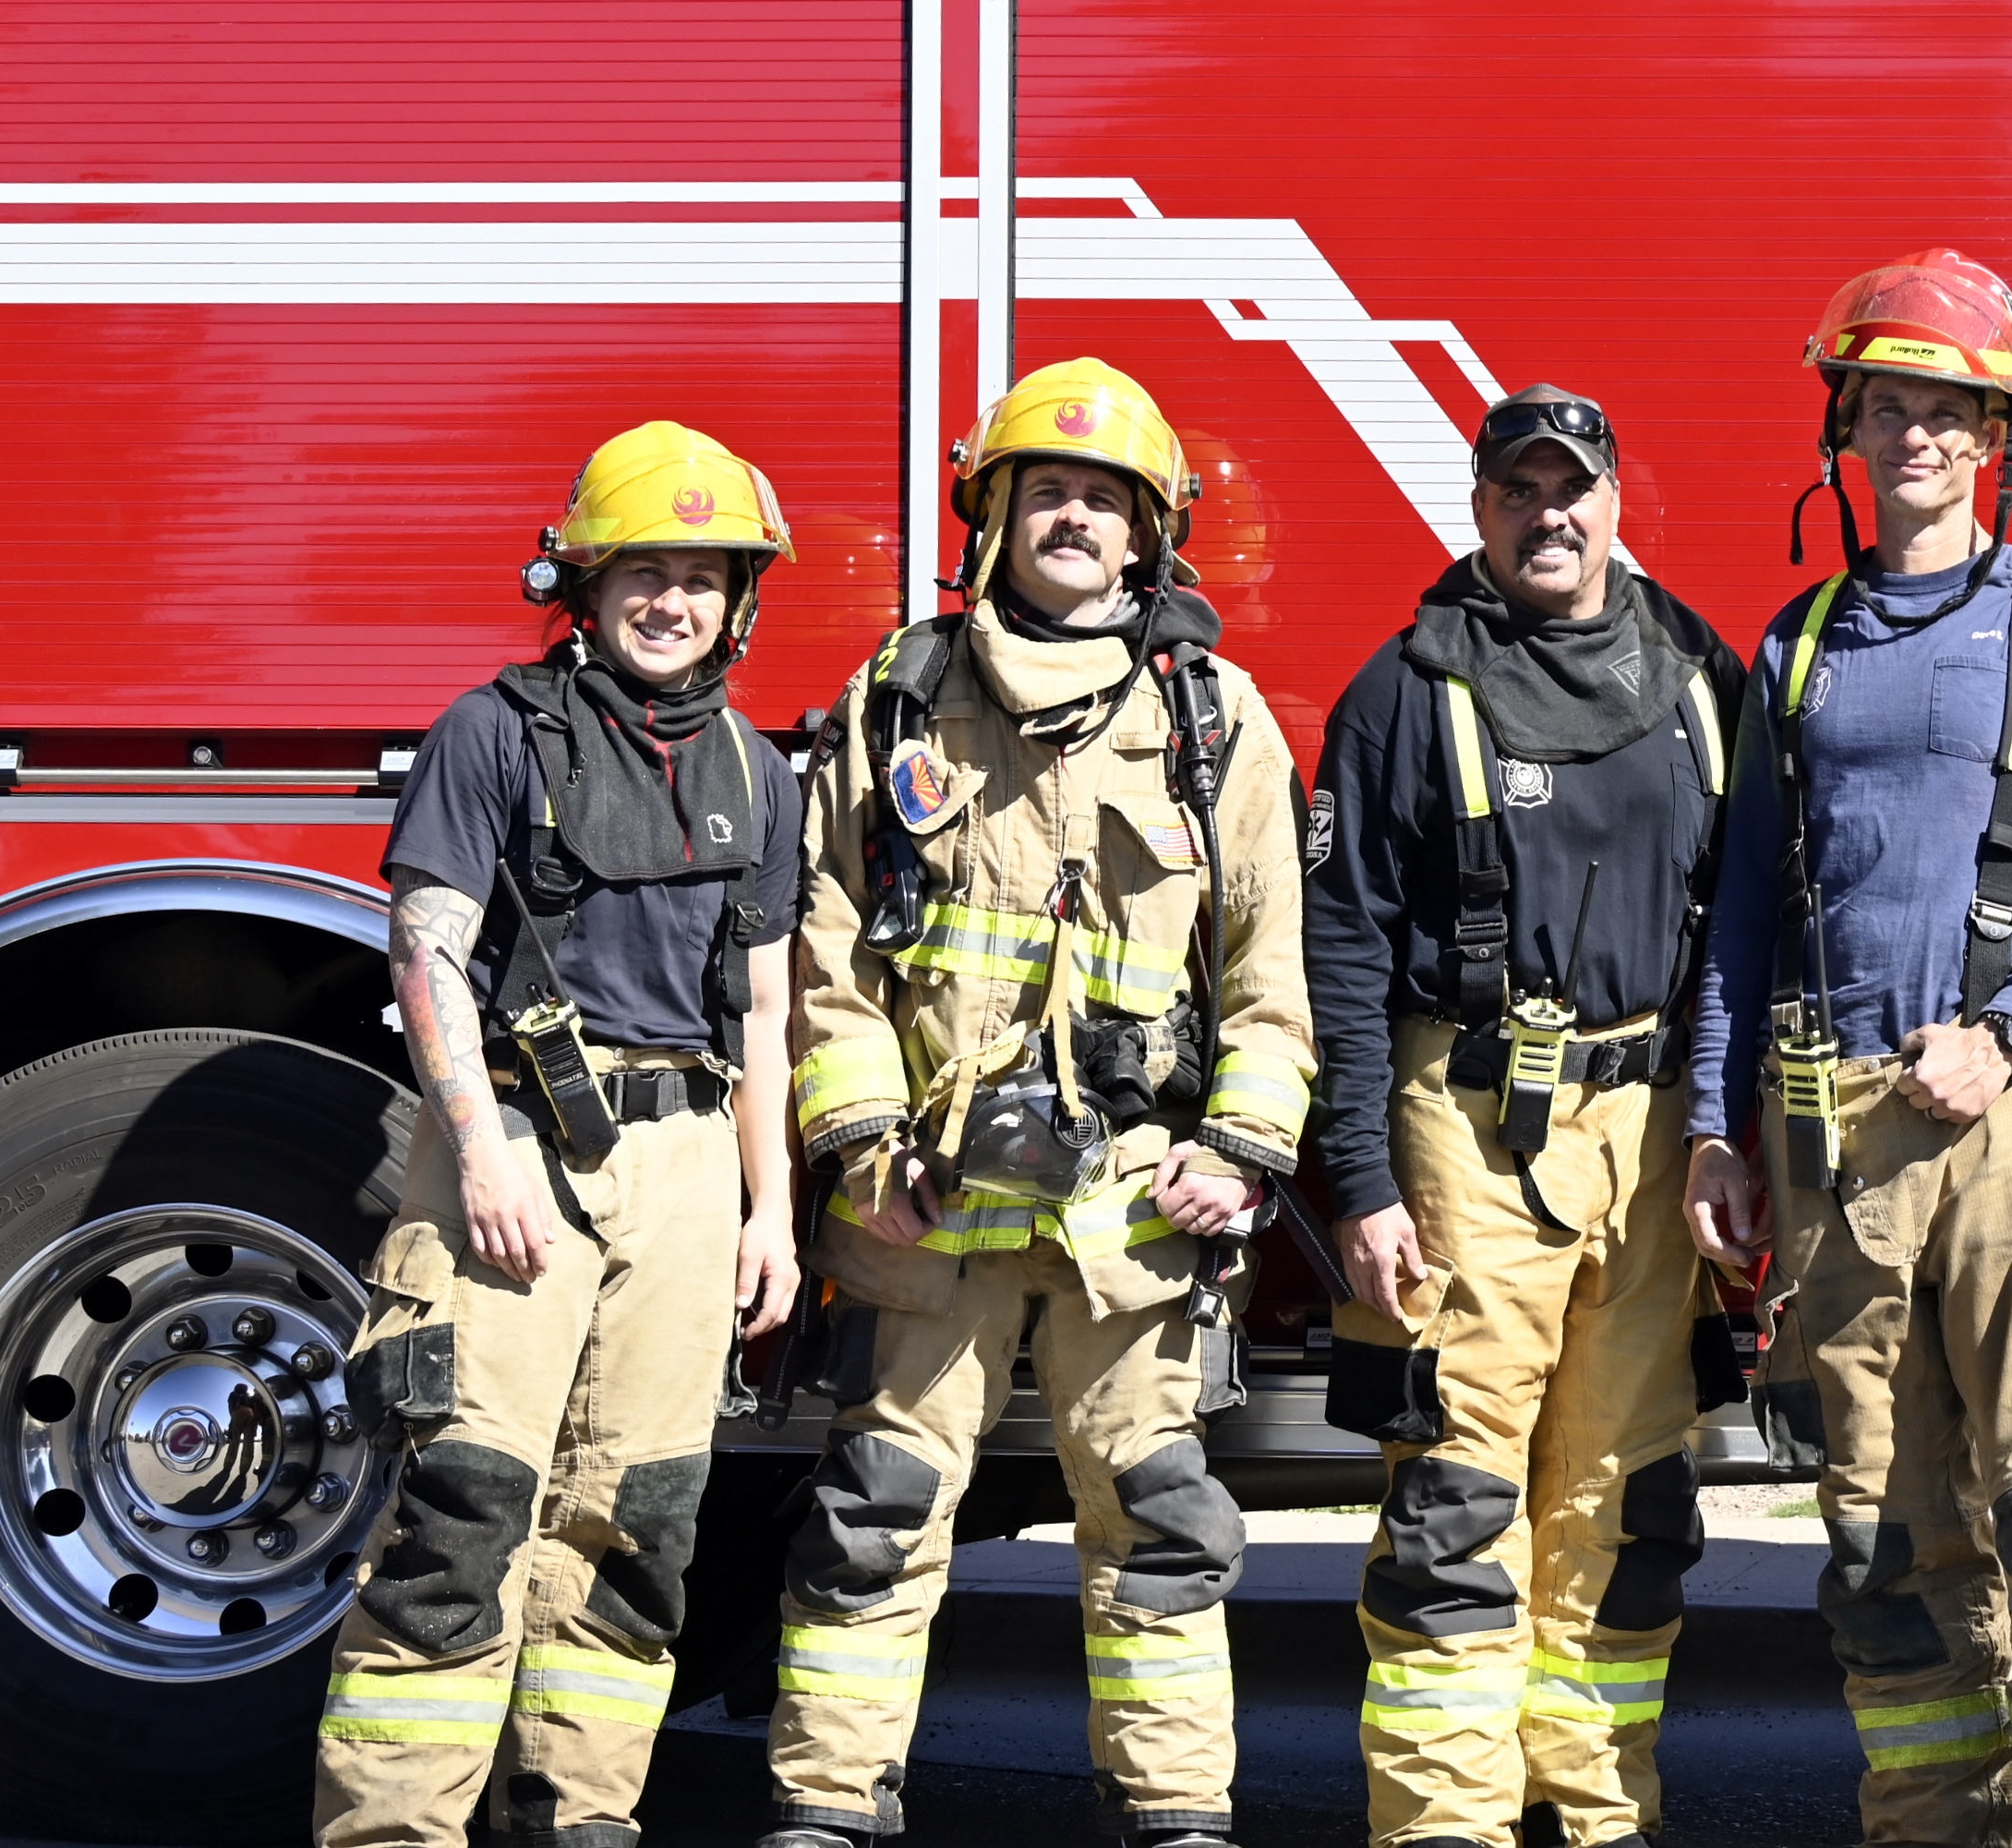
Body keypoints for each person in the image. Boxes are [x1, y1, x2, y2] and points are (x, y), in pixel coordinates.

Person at [757, 358, 1314, 1848]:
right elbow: (827, 947)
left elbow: (1269, 969)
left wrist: (1241, 1151)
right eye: (1046, 492)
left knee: (1158, 1519)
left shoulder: (1213, 721)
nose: (1074, 520)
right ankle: (824, 1803)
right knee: (875, 1509)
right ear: (993, 516)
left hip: (1132, 1207)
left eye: (1103, 501)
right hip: (925, 1201)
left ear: (1151, 535)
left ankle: (1177, 1811)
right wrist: (860, 1144)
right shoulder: (899, 698)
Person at [1681, 252, 2012, 1847]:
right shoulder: (1798, 641)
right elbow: (1745, 911)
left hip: (1998, 1121)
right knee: (1886, 1551)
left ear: (1996, 442)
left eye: (1949, 413)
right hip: (1828, 1138)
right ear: (1845, 428)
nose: (1915, 437)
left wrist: (2011, 1032)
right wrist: (1715, 1127)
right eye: (1887, 407)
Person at [318, 421, 806, 1848]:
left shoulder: (759, 773)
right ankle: (393, 1832)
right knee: (460, 1514)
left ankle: (577, 1818)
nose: (673, 602)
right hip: (518, 1146)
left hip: (688, 1167)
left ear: (740, 601)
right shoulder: (491, 735)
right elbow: (427, 954)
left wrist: (771, 1214)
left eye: (703, 577)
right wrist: (477, 1152)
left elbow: (765, 1013)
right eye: (643, 571)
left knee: (636, 1527)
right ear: (583, 586)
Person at [1303, 386, 1749, 1848]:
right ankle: (1446, 1822)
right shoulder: (1405, 692)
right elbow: (1342, 951)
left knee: (1628, 1489)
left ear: (1615, 502)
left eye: (1572, 489)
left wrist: (1732, 1129)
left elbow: (1752, 919)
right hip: (1469, 1117)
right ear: (1479, 508)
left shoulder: (1699, 672)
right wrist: (1362, 1178)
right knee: (1458, 1489)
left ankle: (1594, 1813)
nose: (1548, 515)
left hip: (1653, 1123)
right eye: (1519, 490)